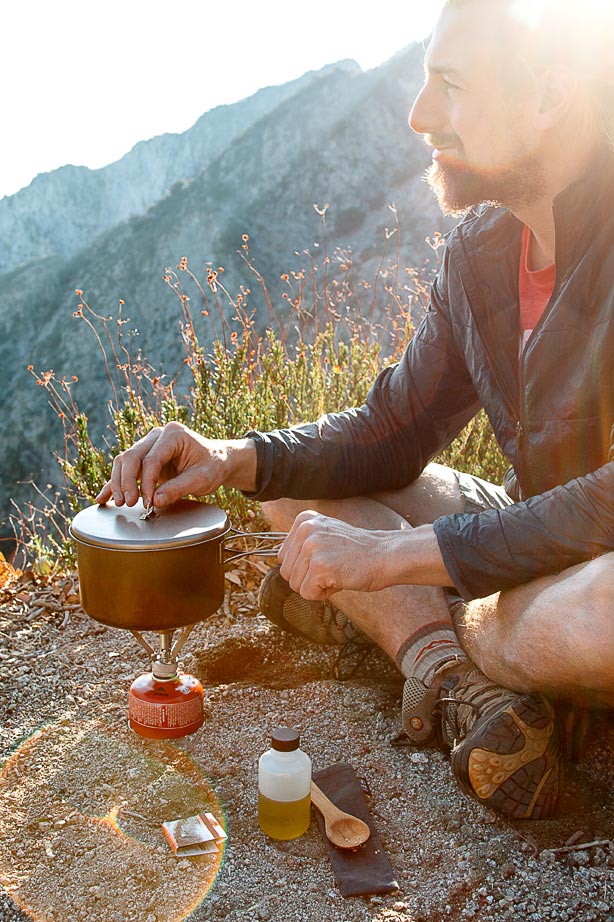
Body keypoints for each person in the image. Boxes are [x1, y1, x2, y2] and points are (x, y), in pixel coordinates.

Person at [96, 0, 614, 820]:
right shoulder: (482, 252)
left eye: (448, 83)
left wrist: (397, 559)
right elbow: (390, 433)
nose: (418, 115)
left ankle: (451, 636)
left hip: (595, 574)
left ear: (550, 98)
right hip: (532, 539)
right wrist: (229, 456)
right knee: (289, 493)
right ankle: (455, 683)